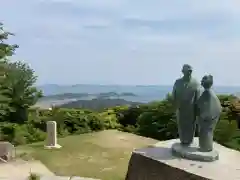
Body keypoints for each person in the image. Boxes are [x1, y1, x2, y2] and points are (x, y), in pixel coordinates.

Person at [172, 64, 201, 146]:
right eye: (187, 71)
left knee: (191, 125)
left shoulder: (195, 83)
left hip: (191, 109)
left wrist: (197, 108)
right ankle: (183, 140)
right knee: (181, 125)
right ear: (183, 71)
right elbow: (174, 95)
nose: (189, 72)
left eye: (190, 71)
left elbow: (198, 96)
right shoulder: (178, 82)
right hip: (180, 108)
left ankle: (189, 140)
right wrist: (175, 106)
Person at [197, 75, 222, 151]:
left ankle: (206, 147)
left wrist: (205, 116)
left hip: (207, 119)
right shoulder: (207, 92)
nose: (201, 82)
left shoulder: (208, 93)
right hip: (207, 118)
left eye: (202, 81)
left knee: (206, 133)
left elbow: (211, 107)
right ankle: (205, 147)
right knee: (205, 133)